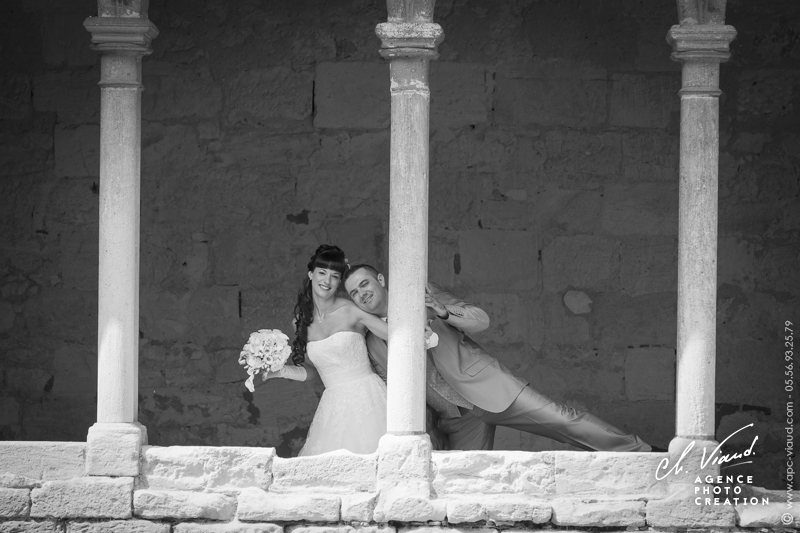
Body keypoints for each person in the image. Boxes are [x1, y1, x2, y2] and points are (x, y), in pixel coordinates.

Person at [343, 264, 653, 452]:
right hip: (455, 419)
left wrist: (443, 312)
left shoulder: (423, 293)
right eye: (354, 293)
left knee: (564, 419)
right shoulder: (371, 342)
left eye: (364, 284)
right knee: (463, 491)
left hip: (489, 386)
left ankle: (645, 452)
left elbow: (481, 320)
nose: (362, 294)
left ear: (381, 279)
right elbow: (390, 389)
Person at [260, 245, 390, 455]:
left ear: (339, 282)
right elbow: (313, 372)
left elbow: (393, 333)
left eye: (335, 276)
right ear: (311, 274)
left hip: (369, 398)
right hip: (332, 408)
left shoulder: (351, 309)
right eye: (322, 273)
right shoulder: (300, 322)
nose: (327, 281)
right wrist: (282, 372)